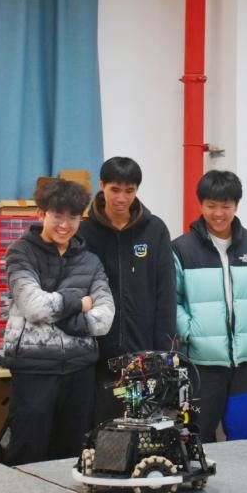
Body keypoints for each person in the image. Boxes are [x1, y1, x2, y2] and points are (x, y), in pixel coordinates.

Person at [2, 178, 114, 465]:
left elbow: (104, 318)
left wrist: (69, 321)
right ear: (41, 213)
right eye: (58, 215)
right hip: (34, 369)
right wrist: (79, 303)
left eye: (73, 217)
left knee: (72, 456)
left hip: (80, 370)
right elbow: (34, 306)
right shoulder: (20, 252)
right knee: (28, 454)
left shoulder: (91, 262)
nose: (65, 225)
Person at [172, 170, 247, 442]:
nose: (218, 213)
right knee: (197, 441)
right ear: (201, 204)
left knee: (246, 443)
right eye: (211, 205)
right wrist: (189, 331)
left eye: (226, 206)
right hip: (200, 366)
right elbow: (171, 299)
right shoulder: (181, 249)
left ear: (236, 205)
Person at [78, 156, 176, 428]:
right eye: (115, 189)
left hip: (142, 358)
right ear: (101, 186)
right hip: (97, 357)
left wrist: (163, 352)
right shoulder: (84, 231)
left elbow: (166, 293)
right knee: (102, 430)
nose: (122, 198)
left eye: (129, 190)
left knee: (139, 429)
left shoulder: (155, 230)